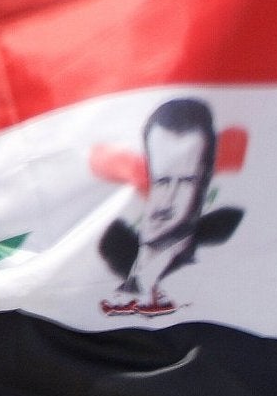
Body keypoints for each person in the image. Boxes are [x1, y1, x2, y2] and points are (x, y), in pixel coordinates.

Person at [99, 96, 241, 316]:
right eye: (160, 181)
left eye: (186, 182)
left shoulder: (222, 265)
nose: (167, 201)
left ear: (205, 184)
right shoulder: (108, 250)